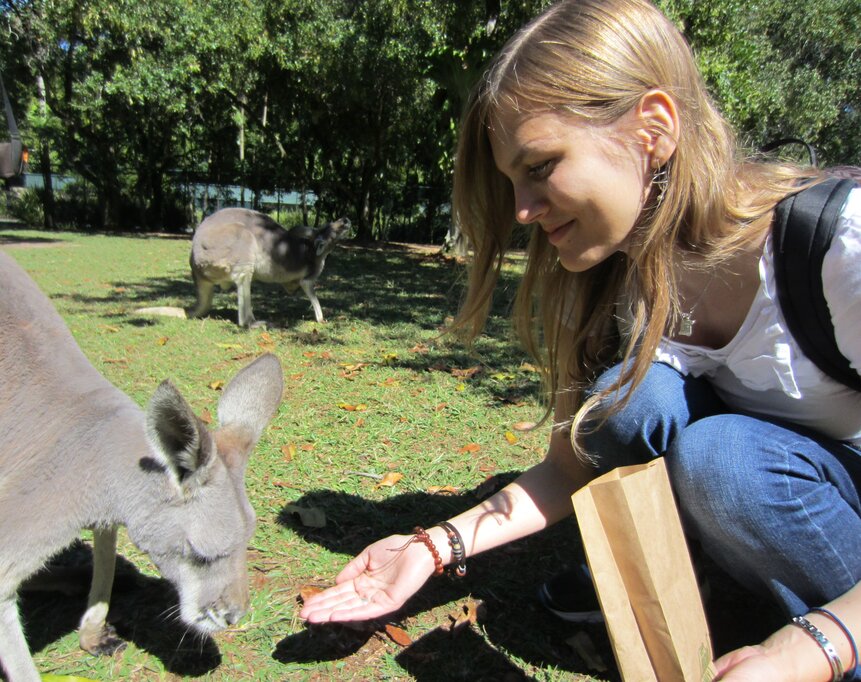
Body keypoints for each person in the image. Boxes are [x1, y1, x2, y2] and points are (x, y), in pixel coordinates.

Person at [301, 0, 861, 679]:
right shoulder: (619, 275)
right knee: (626, 401)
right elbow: (570, 466)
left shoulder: (834, 248)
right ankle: (713, 586)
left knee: (724, 459)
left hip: (824, 506)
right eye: (512, 182)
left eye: (540, 167)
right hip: (774, 504)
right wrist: (430, 546)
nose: (522, 213)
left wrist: (813, 647)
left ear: (652, 129)